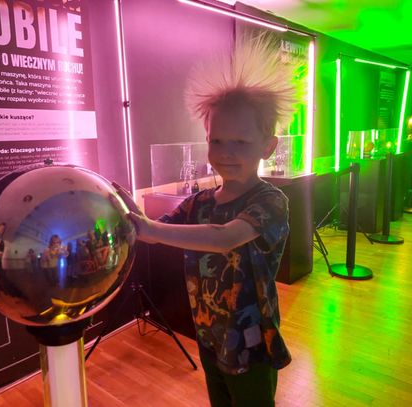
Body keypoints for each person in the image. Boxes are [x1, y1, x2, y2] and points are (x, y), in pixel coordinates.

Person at [120, 33, 296, 406]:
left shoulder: (270, 202)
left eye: (240, 142)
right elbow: (152, 233)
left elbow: (224, 237)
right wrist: (124, 213)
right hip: (208, 335)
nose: (225, 152)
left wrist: (151, 228)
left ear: (268, 146)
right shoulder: (197, 203)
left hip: (252, 343)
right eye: (217, 141)